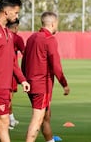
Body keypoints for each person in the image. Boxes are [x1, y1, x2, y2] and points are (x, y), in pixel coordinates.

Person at [21, 12, 70, 142]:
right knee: (37, 120)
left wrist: (24, 80)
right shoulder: (49, 40)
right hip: (41, 86)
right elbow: (56, 65)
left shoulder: (32, 38)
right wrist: (64, 84)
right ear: (53, 24)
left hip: (31, 84)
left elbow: (24, 61)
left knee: (46, 116)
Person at [0, 0, 30, 141]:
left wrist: (22, 80)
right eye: (16, 13)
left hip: (6, 87)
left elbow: (13, 61)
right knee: (4, 123)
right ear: (6, 11)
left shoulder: (9, 33)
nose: (17, 16)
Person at [7, 18, 25, 129]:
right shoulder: (17, 38)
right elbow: (25, 53)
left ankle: (11, 119)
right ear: (16, 27)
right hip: (11, 72)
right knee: (8, 97)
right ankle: (4, 122)